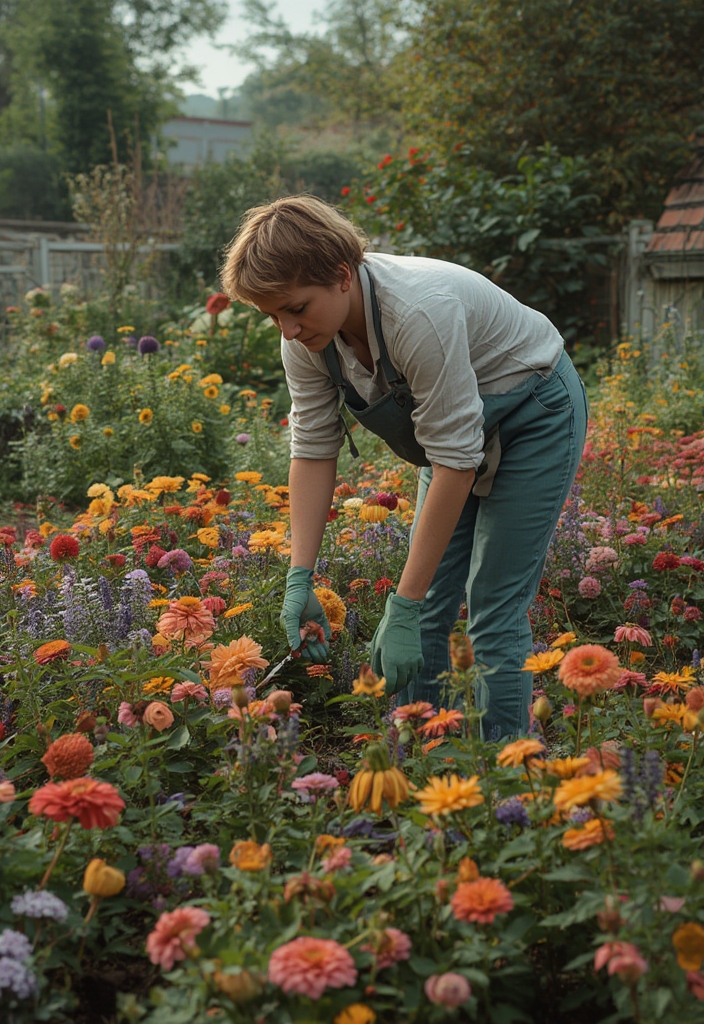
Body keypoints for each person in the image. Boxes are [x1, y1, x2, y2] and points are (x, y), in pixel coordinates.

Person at [221, 195, 588, 741]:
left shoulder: (417, 312)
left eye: (296, 308)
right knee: (430, 600)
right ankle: (421, 760)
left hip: (533, 414)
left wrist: (406, 606)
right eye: (271, 315)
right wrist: (301, 576)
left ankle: (507, 781)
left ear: (343, 275)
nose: (287, 329)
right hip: (452, 440)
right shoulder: (304, 341)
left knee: (490, 604)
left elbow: (456, 461)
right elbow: (313, 449)